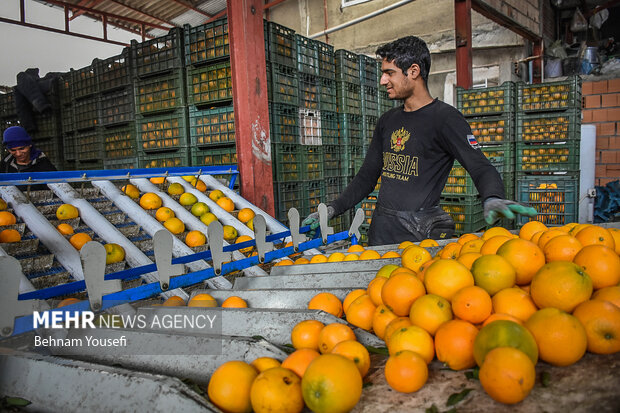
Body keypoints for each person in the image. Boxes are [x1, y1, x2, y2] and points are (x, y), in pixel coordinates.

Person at [303, 36, 536, 246]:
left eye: (389, 72)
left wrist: (492, 196)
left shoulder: (445, 119)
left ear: (413, 71)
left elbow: (479, 166)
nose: (383, 80)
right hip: (380, 232)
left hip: (418, 238)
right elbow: (366, 177)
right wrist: (332, 208)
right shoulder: (387, 121)